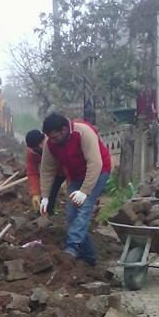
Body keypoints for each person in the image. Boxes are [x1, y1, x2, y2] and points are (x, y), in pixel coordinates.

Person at [39, 113, 112, 266]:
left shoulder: (84, 132)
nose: (52, 141)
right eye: (50, 137)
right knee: (72, 215)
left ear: (64, 130)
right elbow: (47, 170)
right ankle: (90, 257)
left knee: (84, 208)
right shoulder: (50, 143)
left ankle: (71, 249)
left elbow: (95, 163)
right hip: (76, 176)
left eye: (55, 137)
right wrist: (45, 196)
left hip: (98, 172)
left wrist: (85, 191)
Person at [25, 129, 65, 216]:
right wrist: (35, 193)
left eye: (39, 146)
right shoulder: (31, 153)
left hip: (67, 168)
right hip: (53, 173)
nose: (38, 149)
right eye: (35, 149)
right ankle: (48, 214)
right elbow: (32, 172)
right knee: (49, 193)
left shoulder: (53, 143)